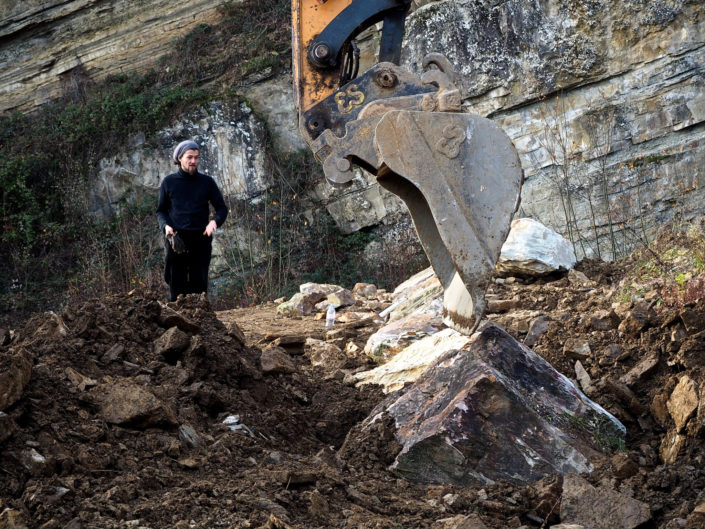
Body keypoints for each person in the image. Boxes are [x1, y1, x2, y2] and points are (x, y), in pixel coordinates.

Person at [156, 140, 228, 302]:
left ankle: (200, 321)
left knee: (199, 284)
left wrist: (214, 222)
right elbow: (161, 211)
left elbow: (222, 209)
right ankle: (177, 321)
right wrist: (166, 226)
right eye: (189, 157)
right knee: (175, 283)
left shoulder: (207, 182)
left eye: (196, 157)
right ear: (180, 158)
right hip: (176, 237)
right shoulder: (169, 182)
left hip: (201, 237)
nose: (193, 161)